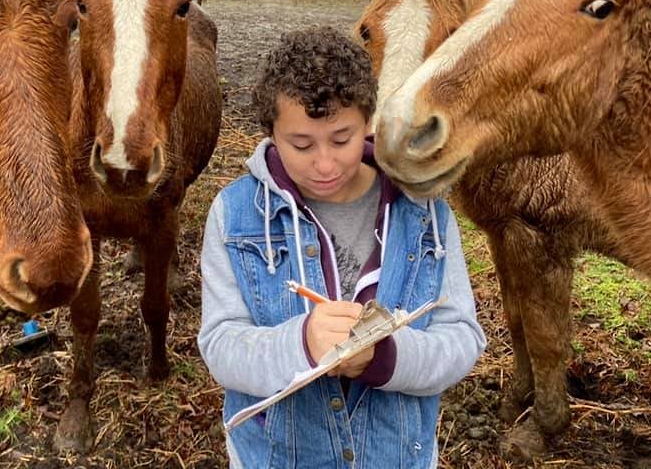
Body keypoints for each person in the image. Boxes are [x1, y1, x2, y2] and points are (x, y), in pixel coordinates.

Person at [198, 26, 486, 468]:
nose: (325, 163)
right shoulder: (234, 214)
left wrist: (386, 356)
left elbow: (462, 338)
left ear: (368, 122)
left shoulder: (424, 213)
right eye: (301, 144)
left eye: (342, 139)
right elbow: (220, 345)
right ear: (271, 132)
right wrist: (302, 342)